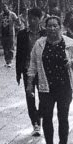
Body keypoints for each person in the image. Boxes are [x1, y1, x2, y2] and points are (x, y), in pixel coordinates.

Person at [26, 14, 73, 144]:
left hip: (65, 87)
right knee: (47, 118)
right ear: (45, 28)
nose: (52, 28)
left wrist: (71, 62)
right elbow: (32, 65)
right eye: (49, 26)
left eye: (55, 25)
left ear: (60, 27)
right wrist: (29, 84)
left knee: (63, 117)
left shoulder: (70, 44)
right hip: (46, 87)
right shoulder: (39, 44)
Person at [15, 7, 47, 137]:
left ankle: (39, 115)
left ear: (40, 19)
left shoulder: (45, 34)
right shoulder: (22, 34)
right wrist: (18, 72)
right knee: (30, 97)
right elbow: (19, 54)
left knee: (44, 98)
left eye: (34, 18)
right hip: (28, 71)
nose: (31, 21)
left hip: (43, 71)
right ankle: (35, 124)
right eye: (30, 18)